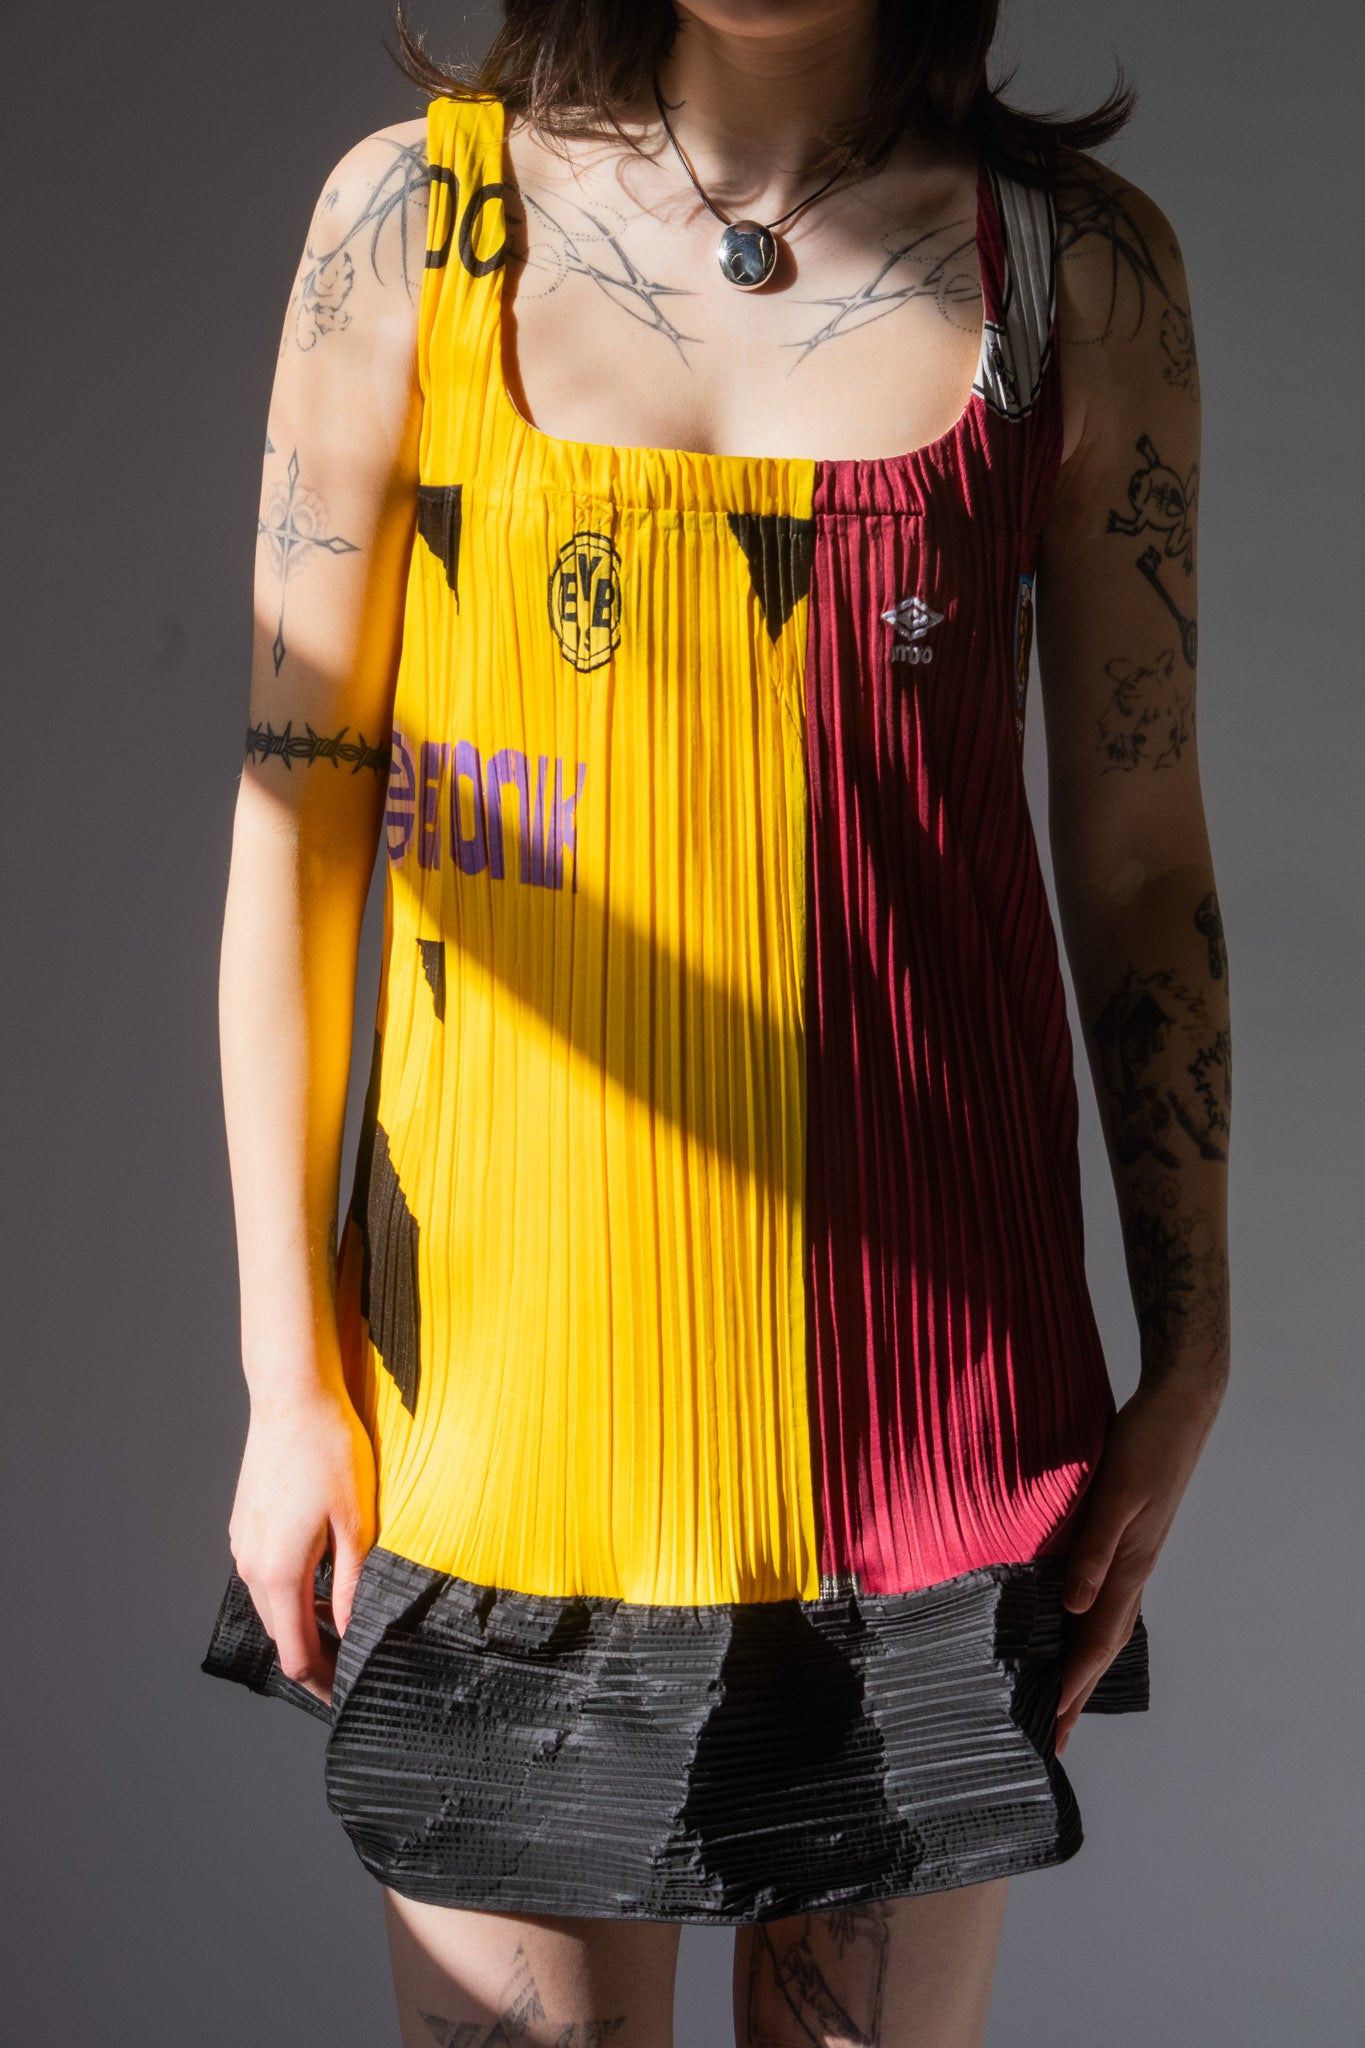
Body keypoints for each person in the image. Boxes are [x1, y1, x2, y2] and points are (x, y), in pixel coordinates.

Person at [202, 2, 1231, 2042]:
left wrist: (1191, 1346)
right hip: (498, 1413)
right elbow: (295, 825)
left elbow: (1133, 860)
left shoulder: (1070, 267)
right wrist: (284, 1373)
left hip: (932, 1423)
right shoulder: (411, 226)